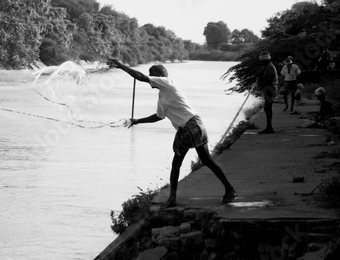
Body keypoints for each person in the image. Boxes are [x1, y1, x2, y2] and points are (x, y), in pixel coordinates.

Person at [107, 58, 237, 206]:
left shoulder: (167, 83)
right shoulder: (162, 96)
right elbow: (158, 116)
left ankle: (229, 189)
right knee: (176, 164)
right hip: (183, 130)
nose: (151, 82)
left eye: (152, 76)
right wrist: (136, 121)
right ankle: (172, 198)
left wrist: (120, 65)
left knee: (206, 160)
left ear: (158, 76)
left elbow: (141, 77)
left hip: (192, 124)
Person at [257, 51, 278, 134]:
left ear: (265, 60)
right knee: (266, 108)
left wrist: (260, 82)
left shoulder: (270, 67)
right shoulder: (267, 66)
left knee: (268, 107)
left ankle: (269, 128)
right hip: (269, 88)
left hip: (270, 88)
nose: (261, 62)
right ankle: (269, 127)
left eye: (262, 61)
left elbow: (268, 80)